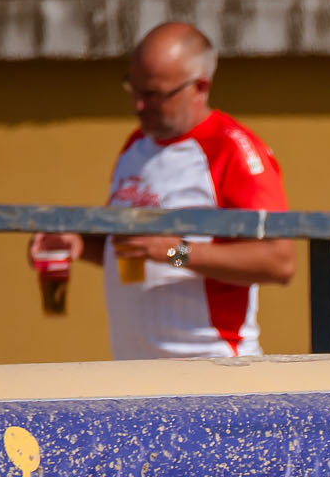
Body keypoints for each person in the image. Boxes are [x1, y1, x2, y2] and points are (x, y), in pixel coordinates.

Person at [26, 22, 294, 359]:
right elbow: (136, 252)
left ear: (200, 87)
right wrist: (78, 244)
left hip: (211, 372)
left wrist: (174, 252)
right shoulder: (135, 146)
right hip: (135, 373)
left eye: (153, 94)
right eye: (133, 89)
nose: (138, 105)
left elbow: (279, 262)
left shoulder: (231, 151)